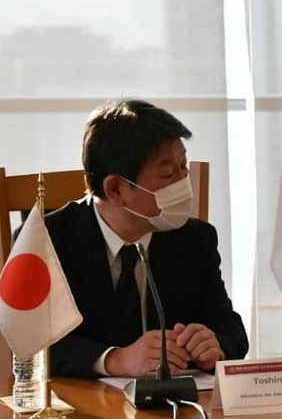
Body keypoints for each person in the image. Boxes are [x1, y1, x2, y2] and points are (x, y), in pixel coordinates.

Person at [48, 99, 249, 378]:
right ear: (116, 189)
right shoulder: (47, 241)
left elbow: (230, 328)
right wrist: (115, 360)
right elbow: (32, 345)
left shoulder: (195, 239)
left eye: (184, 167)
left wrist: (215, 345)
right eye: (168, 173)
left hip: (175, 411)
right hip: (83, 410)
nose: (183, 182)